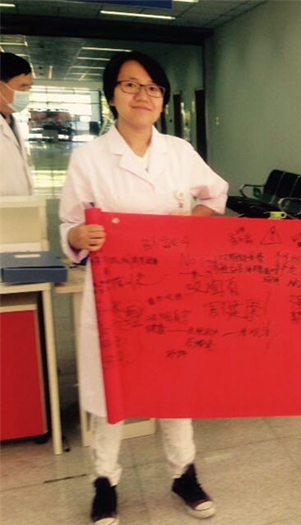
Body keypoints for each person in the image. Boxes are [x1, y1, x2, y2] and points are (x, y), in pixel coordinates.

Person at [59, 51, 229, 525]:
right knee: (110, 392)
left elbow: (215, 194)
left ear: (163, 100)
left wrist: (192, 223)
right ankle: (104, 482)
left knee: (173, 386)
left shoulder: (179, 151)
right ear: (111, 95)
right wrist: (78, 236)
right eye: (130, 85)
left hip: (171, 293)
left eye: (153, 87)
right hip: (115, 298)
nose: (143, 95)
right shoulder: (89, 158)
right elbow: (70, 224)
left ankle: (183, 473)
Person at [0, 52, 34, 196]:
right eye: (22, 87)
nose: (27, 93)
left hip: (20, 207)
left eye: (29, 88)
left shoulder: (11, 122)